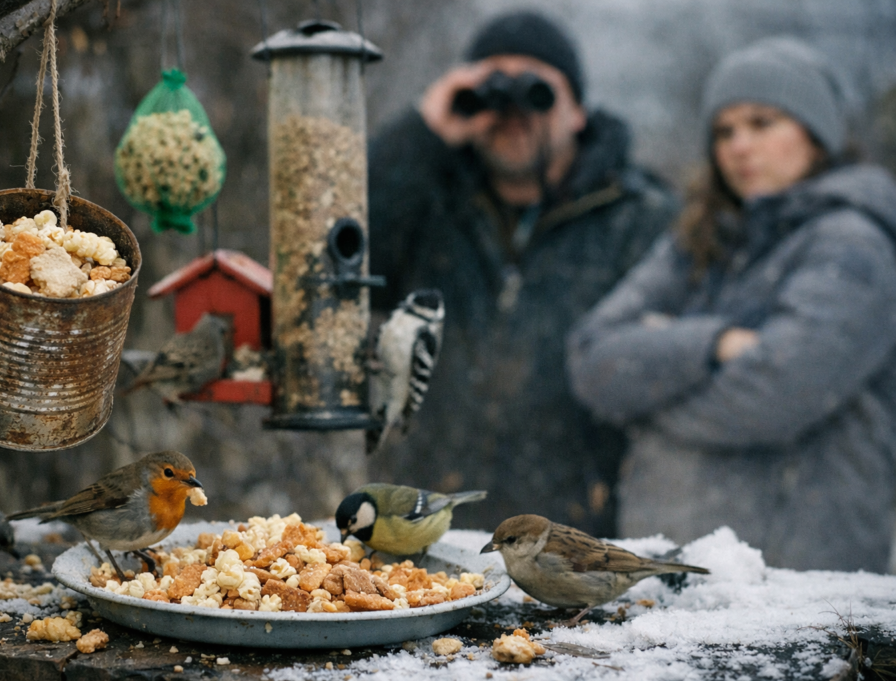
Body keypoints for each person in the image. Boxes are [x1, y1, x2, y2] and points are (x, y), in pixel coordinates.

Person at [567, 37, 896, 572]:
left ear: (818, 134)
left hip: (800, 579)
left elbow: (781, 390)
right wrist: (713, 344)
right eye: (724, 131)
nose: (739, 146)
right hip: (675, 564)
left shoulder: (854, 245)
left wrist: (648, 400)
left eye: (762, 123)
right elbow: (591, 357)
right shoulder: (701, 237)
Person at [367, 11, 678, 536]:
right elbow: (348, 256)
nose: (512, 111)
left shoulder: (639, 218)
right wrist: (423, 131)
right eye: (491, 88)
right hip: (431, 519)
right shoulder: (427, 202)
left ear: (578, 112)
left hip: (579, 536)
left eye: (537, 90)